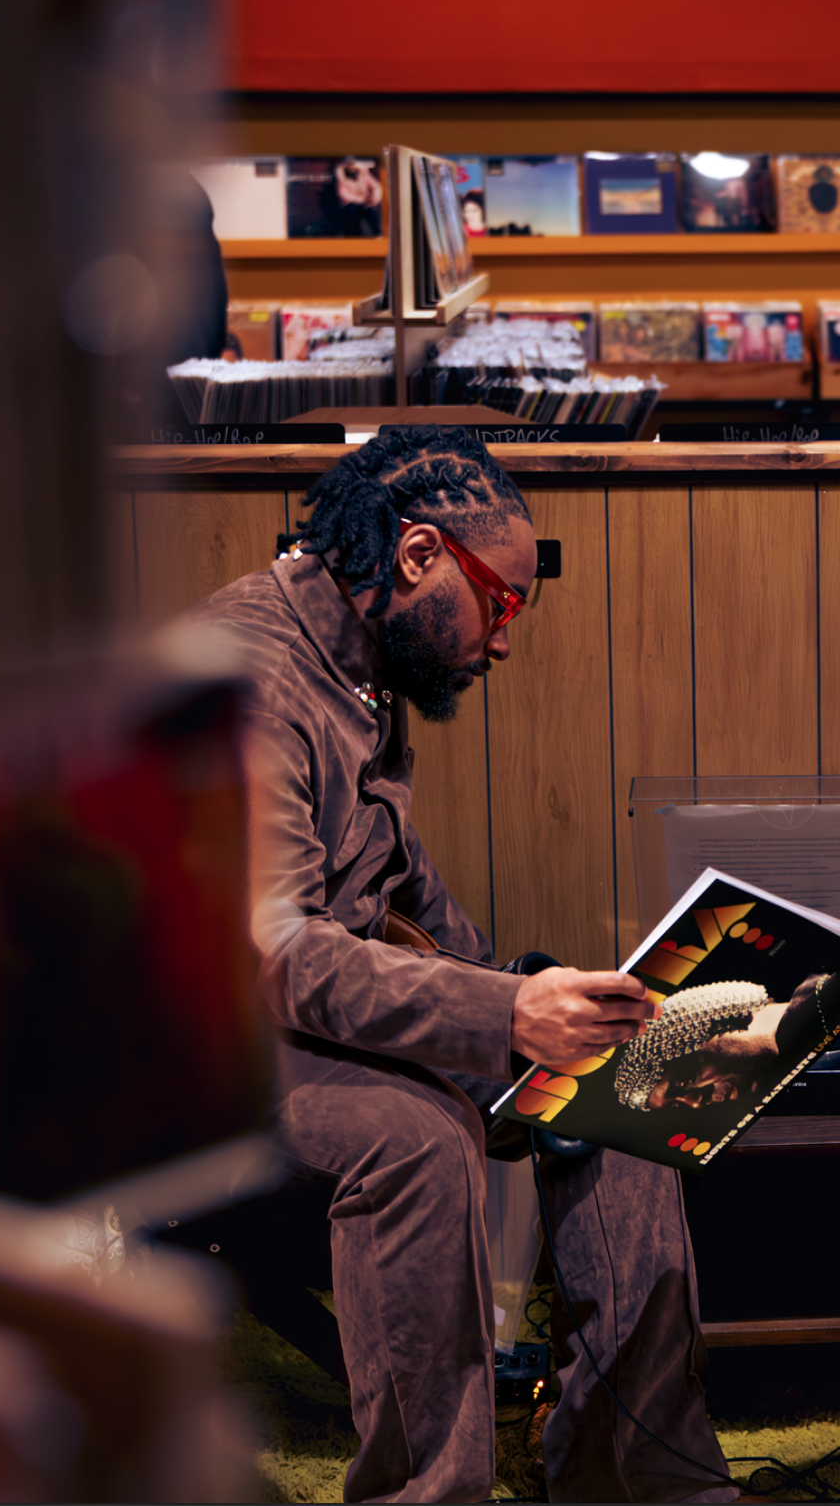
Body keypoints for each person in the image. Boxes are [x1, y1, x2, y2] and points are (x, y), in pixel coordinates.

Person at [198, 427, 740, 1504]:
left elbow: (387, 873)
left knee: (617, 1081)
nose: (502, 640)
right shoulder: (251, 683)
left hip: (330, 1007)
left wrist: (530, 994)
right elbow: (276, 950)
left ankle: (631, 1473)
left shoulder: (357, 655)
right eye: (501, 604)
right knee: (418, 1138)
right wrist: (497, 1013)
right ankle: (423, 1491)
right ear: (416, 557)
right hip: (214, 1034)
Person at [616, 973, 836, 1112]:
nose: (695, 1102)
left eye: (684, 1079)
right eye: (675, 1105)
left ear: (721, 1020)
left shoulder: (828, 1001)